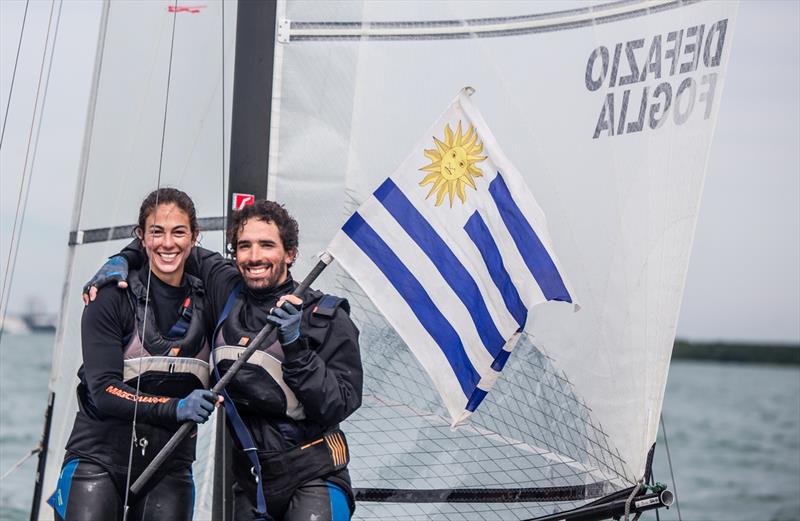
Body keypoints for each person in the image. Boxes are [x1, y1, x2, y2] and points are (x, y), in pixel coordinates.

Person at [87, 200, 363, 521]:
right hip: (249, 484)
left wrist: (295, 346)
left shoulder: (325, 315)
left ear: (290, 253)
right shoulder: (224, 286)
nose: (254, 256)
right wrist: (122, 257)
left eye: (266, 245)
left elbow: (338, 404)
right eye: (244, 246)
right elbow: (170, 242)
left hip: (314, 478)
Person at [49, 188, 219, 521]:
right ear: (141, 236)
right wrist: (175, 408)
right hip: (98, 458)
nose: (167, 243)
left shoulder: (211, 298)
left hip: (169, 464)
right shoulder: (109, 296)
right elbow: (103, 391)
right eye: (156, 231)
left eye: (178, 232)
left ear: (195, 236)